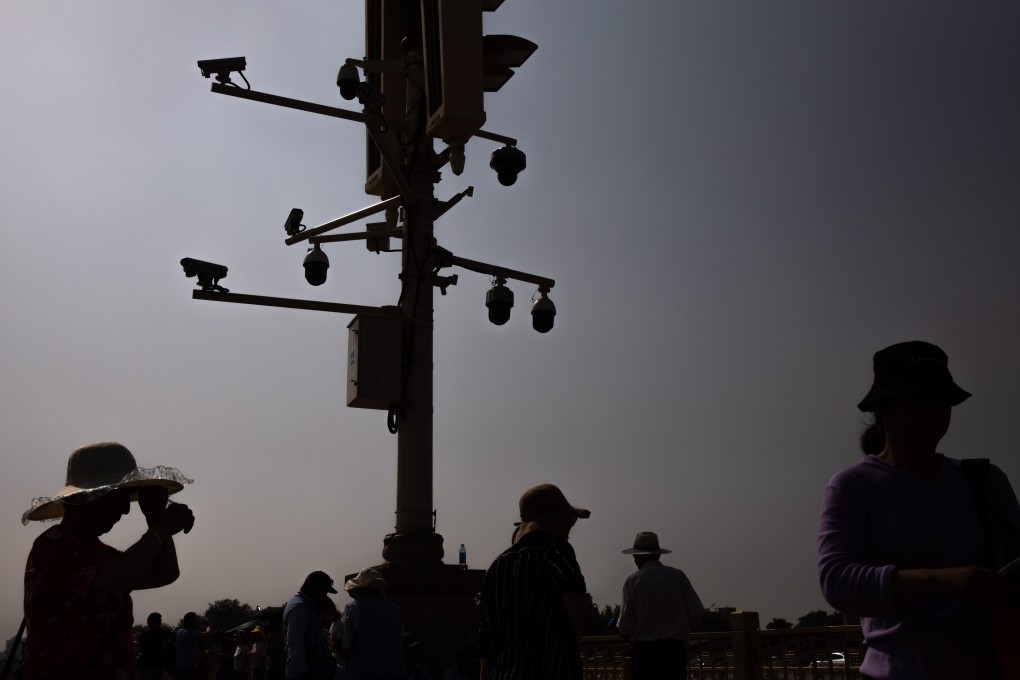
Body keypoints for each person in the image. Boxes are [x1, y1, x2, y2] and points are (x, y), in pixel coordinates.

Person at [818, 341, 1020, 679]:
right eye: (918, 401)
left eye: (941, 401)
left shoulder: (985, 481)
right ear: (882, 408)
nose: (933, 412)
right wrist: (941, 580)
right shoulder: (852, 486)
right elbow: (837, 581)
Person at [22, 441, 195, 680]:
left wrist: (155, 519)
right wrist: (162, 528)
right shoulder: (52, 547)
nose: (125, 510)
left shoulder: (98, 555)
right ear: (93, 496)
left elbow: (165, 573)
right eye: (122, 497)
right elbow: (124, 574)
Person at [478, 483, 590, 680]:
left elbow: (487, 636)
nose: (570, 527)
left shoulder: (498, 565)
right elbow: (575, 620)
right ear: (554, 520)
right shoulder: (556, 553)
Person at [617, 532, 703, 680]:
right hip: (673, 651)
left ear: (639, 556)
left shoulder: (632, 581)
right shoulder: (677, 576)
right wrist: (680, 628)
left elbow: (625, 624)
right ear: (658, 554)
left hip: (645, 654)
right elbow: (697, 612)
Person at [340, 567, 404, 680]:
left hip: (362, 672)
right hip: (394, 672)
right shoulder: (395, 609)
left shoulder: (353, 607)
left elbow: (346, 644)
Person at [283, 571, 339, 680]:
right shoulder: (300, 608)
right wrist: (304, 671)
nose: (324, 596)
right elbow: (295, 642)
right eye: (323, 591)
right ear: (314, 588)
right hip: (304, 674)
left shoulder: (305, 605)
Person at [138, 612, 173, 680]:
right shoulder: (159, 633)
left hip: (143, 666)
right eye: (160, 621)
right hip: (155, 666)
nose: (161, 623)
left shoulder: (143, 635)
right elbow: (171, 635)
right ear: (156, 622)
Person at [176, 612, 205, 680]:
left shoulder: (178, 632)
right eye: (195, 621)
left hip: (178, 668)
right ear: (191, 622)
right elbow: (207, 634)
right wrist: (208, 628)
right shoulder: (192, 633)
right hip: (190, 668)